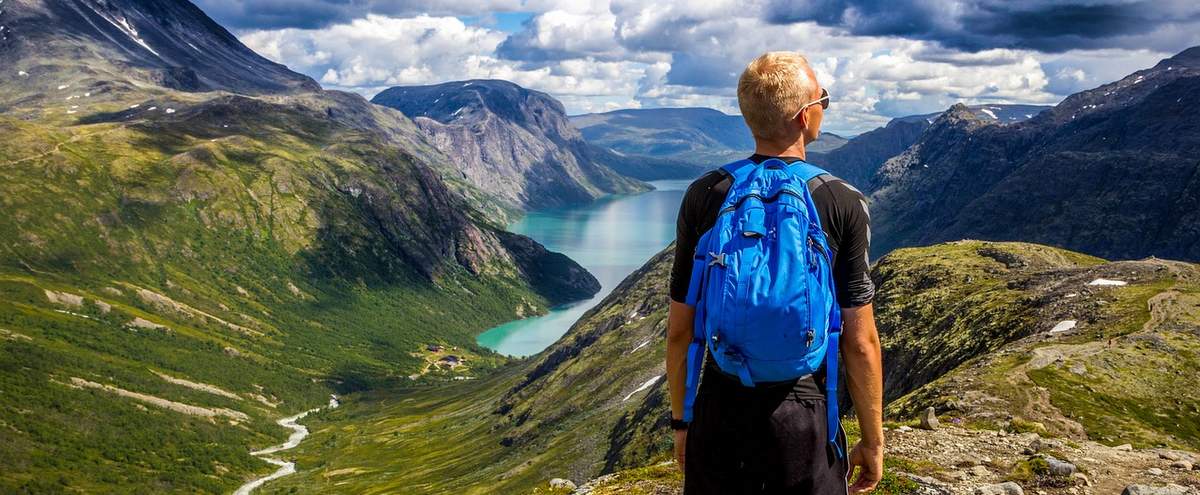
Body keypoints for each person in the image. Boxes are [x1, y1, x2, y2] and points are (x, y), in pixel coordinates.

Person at [665, 51, 885, 494]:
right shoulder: (841, 199)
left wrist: (683, 421)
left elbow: (680, 332)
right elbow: (860, 342)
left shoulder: (706, 193)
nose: (825, 105)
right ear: (806, 117)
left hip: (721, 402)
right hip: (804, 409)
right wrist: (873, 441)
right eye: (824, 98)